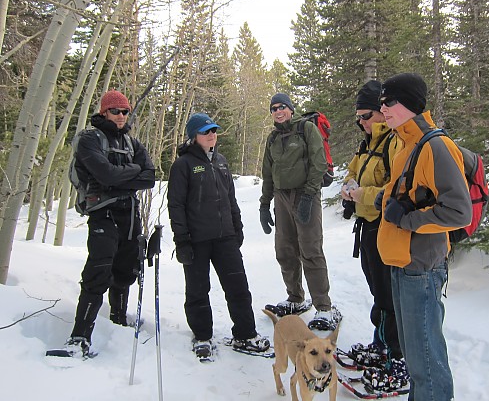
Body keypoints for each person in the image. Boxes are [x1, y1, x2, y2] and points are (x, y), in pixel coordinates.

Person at [376, 73, 472, 401]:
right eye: (381, 103)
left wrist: (409, 219)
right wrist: (386, 202)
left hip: (422, 268)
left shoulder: (435, 146)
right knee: (417, 362)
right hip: (404, 263)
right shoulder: (406, 143)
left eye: (390, 102)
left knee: (427, 363)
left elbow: (459, 212)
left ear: (411, 104)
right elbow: (413, 193)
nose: (383, 108)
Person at [168, 113, 269, 359]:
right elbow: (176, 205)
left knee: (238, 287)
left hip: (225, 238)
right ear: (194, 136)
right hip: (196, 240)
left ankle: (245, 334)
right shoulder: (183, 165)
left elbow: (230, 199)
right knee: (197, 290)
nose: (212, 134)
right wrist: (181, 239)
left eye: (214, 130)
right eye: (206, 131)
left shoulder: (221, 161)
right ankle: (202, 336)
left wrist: (238, 226)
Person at [65, 90, 156, 357]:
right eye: (115, 111)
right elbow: (103, 172)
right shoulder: (89, 139)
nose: (121, 116)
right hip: (102, 212)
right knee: (99, 270)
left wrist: (119, 178)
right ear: (104, 112)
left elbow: (149, 177)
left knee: (126, 270)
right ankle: (79, 336)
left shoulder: (132, 142)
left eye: (125, 111)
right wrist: (132, 173)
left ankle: (118, 321)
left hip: (129, 214)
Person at [340, 80, 406, 378]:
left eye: (365, 116)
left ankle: (398, 355)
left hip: (387, 226)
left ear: (381, 112)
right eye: (358, 117)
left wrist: (361, 194)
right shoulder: (367, 143)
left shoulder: (394, 142)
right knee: (378, 291)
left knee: (390, 295)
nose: (361, 122)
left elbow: (394, 189)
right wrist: (346, 187)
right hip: (367, 226)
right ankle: (381, 344)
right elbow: (353, 172)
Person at [259, 93, 341, 331]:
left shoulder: (306, 129)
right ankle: (295, 298)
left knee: (310, 250)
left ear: (291, 109)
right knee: (285, 250)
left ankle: (324, 307)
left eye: (282, 107)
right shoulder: (273, 138)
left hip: (306, 194)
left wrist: (308, 195)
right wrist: (265, 204)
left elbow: (318, 163)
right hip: (281, 198)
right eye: (273, 108)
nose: (278, 111)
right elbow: (267, 173)